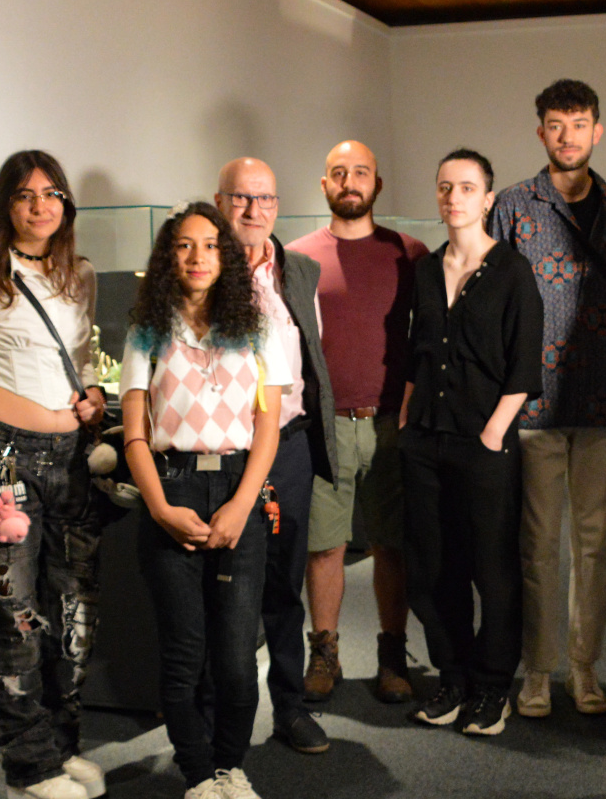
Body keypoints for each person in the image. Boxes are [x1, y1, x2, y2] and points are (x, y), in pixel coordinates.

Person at [0, 150, 109, 799]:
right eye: (24, 194)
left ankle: (59, 751)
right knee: (12, 615)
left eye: (52, 193)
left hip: (69, 462)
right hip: (0, 461)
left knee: (71, 614)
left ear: (67, 204)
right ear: (5, 205)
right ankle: (28, 769)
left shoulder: (79, 276)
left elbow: (84, 360)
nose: (40, 205)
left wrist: (92, 394)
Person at [488, 79, 606, 718]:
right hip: (532, 406)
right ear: (541, 133)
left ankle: (585, 669)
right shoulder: (512, 207)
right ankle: (539, 670)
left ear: (597, 130)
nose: (567, 136)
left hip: (602, 402)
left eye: (578, 123)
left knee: (596, 545)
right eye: (555, 125)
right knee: (536, 545)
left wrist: (602, 350)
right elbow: (494, 301)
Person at [119, 202, 289, 799]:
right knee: (184, 652)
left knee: (238, 653)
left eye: (211, 245)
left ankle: (229, 768)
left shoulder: (257, 324)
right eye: (185, 245)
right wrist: (161, 508)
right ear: (170, 256)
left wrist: (243, 504)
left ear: (227, 255)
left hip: (239, 488)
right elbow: (134, 432)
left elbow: (267, 426)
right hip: (172, 487)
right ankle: (197, 775)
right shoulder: (147, 328)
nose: (198, 257)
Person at [400, 149, 544, 737]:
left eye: (466, 187)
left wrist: (491, 434)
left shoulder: (512, 270)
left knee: (492, 569)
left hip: (483, 445)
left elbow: (524, 367)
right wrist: (409, 417)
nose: (453, 197)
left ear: (488, 199)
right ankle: (453, 679)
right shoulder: (427, 270)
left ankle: (492, 689)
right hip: (426, 443)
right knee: (434, 569)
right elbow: (419, 352)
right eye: (444, 187)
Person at [287, 140, 428, 705]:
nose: (350, 181)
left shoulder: (410, 254)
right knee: (323, 547)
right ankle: (324, 651)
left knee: (393, 545)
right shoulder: (297, 259)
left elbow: (428, 336)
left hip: (392, 421)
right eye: (338, 173)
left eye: (361, 172)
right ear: (324, 185)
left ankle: (393, 651)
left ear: (378, 184)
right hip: (325, 424)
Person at [214, 157, 338, 754]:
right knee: (227, 588)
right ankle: (218, 719)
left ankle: (289, 708)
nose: (253, 210)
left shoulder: (299, 270)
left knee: (286, 587)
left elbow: (311, 357)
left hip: (287, 447)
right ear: (220, 203)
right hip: (229, 452)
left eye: (264, 199)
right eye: (241, 199)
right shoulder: (202, 270)